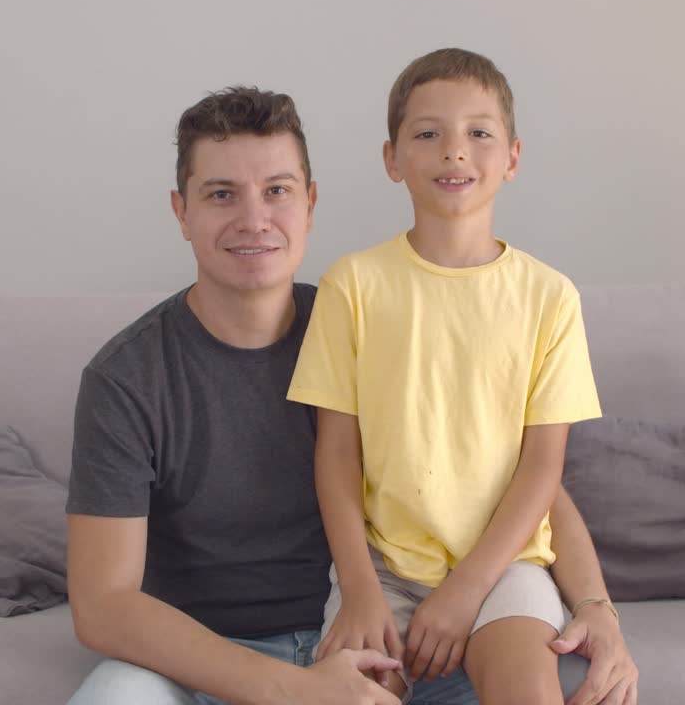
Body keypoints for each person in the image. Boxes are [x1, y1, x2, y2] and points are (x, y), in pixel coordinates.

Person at [65, 84, 637, 705]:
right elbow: (103, 606)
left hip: (386, 639)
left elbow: (520, 476)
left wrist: (595, 605)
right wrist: (296, 690)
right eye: (221, 194)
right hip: (207, 659)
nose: (253, 219)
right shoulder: (127, 378)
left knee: (568, 680)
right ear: (182, 212)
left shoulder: (365, 319)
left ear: (310, 204)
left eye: (278, 191)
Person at [287, 48, 622, 705]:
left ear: (513, 157)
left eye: (479, 132)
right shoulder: (353, 285)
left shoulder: (550, 297)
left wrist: (467, 589)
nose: (455, 151)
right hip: (383, 570)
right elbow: (337, 455)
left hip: (505, 567)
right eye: (428, 133)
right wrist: (358, 589)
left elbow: (541, 468)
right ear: (392, 159)